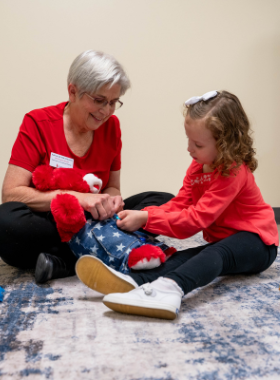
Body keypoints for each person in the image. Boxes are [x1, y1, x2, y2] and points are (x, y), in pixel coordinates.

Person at [75, 90, 279, 320]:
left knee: (217, 254)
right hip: (228, 240)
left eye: (198, 144)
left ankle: (171, 290)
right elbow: (180, 203)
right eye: (188, 140)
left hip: (259, 242)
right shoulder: (197, 167)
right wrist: (144, 215)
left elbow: (195, 220)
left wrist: (148, 219)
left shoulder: (232, 172)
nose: (189, 149)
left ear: (225, 144)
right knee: (192, 255)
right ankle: (136, 281)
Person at [0, 50, 173, 284]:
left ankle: (66, 262)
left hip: (98, 219)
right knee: (6, 222)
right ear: (72, 91)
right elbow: (11, 194)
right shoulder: (37, 123)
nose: (106, 111)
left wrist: (113, 200)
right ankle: (111, 250)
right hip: (56, 221)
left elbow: (112, 187)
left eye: (113, 102)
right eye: (99, 100)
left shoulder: (111, 126)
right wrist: (77, 198)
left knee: (165, 201)